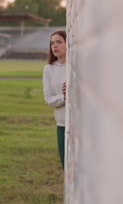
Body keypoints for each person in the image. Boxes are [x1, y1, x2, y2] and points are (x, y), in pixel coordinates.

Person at [42, 30, 67, 170]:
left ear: (68, 44)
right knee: (66, 167)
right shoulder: (49, 69)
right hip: (62, 125)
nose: (54, 46)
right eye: (52, 43)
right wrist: (64, 97)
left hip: (81, 125)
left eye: (59, 42)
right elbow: (48, 99)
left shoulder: (77, 67)